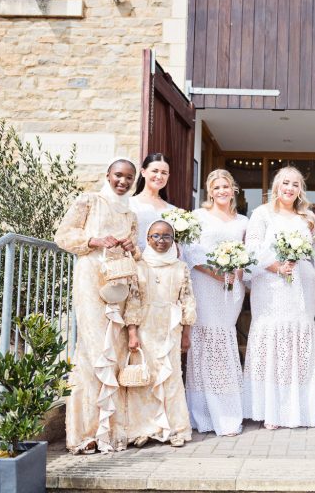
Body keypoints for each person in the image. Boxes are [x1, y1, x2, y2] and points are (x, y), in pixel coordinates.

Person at [54, 157, 139, 454]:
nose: (123, 181)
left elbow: (137, 253)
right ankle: (85, 432)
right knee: (92, 351)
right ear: (108, 174)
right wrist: (94, 239)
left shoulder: (130, 212)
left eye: (129, 177)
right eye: (118, 175)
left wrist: (131, 247)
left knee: (114, 352)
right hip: (91, 279)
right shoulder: (89, 201)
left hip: (118, 285)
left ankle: (111, 430)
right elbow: (63, 235)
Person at [242, 166, 315, 429]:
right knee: (273, 339)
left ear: (300, 190)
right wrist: (277, 266)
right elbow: (251, 249)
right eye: (285, 183)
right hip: (271, 284)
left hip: (302, 284)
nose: (290, 188)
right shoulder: (262, 213)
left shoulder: (307, 216)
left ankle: (298, 409)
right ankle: (271, 410)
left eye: (295, 184)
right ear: (276, 186)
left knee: (298, 339)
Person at [185, 170, 248, 436]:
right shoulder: (199, 217)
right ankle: (202, 413)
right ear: (209, 191)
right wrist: (215, 272)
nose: (222, 191)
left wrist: (237, 271)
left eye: (226, 186)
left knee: (223, 341)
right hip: (205, 284)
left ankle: (227, 412)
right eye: (216, 187)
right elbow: (189, 251)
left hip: (232, 289)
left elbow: (248, 255)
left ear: (233, 189)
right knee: (203, 343)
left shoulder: (244, 221)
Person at [124, 220, 196, 448]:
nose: (161, 241)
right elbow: (133, 299)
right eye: (156, 236)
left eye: (167, 237)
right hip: (145, 327)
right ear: (147, 238)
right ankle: (143, 428)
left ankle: (175, 428)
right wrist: (132, 332)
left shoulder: (180, 267)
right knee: (146, 379)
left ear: (173, 240)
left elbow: (187, 301)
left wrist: (186, 333)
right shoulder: (140, 266)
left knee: (171, 378)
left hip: (170, 327)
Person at [129, 153, 176, 253]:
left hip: (165, 264)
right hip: (137, 262)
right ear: (143, 172)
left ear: (168, 176)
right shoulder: (130, 204)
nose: (159, 176)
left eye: (164, 173)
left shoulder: (173, 210)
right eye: (155, 171)